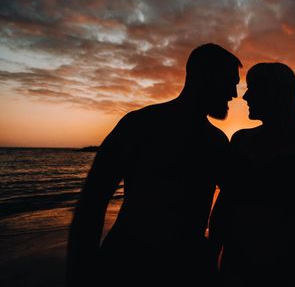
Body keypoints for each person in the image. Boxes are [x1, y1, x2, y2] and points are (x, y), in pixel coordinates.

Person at [66, 43, 242, 287]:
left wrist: (212, 252)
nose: (233, 93)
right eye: (229, 82)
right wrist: (79, 271)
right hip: (128, 264)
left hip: (187, 268)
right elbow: (93, 200)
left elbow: (233, 199)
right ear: (205, 76)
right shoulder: (140, 125)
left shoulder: (217, 141)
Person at [209, 62, 295, 287]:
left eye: (253, 88)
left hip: (291, 263)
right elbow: (225, 204)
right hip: (239, 259)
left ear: (274, 93)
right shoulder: (240, 140)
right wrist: (212, 254)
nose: (245, 97)